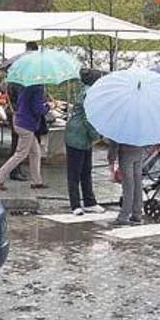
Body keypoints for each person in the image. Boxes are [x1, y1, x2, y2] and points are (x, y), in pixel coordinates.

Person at [0, 82, 49, 190]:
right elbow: (38, 110)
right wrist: (47, 107)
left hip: (19, 120)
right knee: (21, 154)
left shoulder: (25, 86)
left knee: (35, 152)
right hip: (27, 125)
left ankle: (37, 181)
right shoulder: (38, 88)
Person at [65, 70, 105, 216]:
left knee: (86, 170)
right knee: (75, 172)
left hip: (83, 136)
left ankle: (89, 202)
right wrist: (97, 136)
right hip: (77, 136)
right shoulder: (89, 95)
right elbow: (88, 118)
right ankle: (75, 204)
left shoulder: (88, 92)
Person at [6, 41, 39, 182]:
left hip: (15, 111)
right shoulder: (25, 75)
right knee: (20, 147)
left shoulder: (17, 68)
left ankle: (36, 179)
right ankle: (11, 172)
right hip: (20, 113)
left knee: (30, 149)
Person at [108, 141, 145, 225]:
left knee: (128, 186)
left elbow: (114, 144)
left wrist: (111, 161)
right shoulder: (140, 128)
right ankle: (137, 214)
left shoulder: (120, 128)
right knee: (137, 184)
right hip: (139, 151)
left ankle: (124, 216)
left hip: (126, 154)